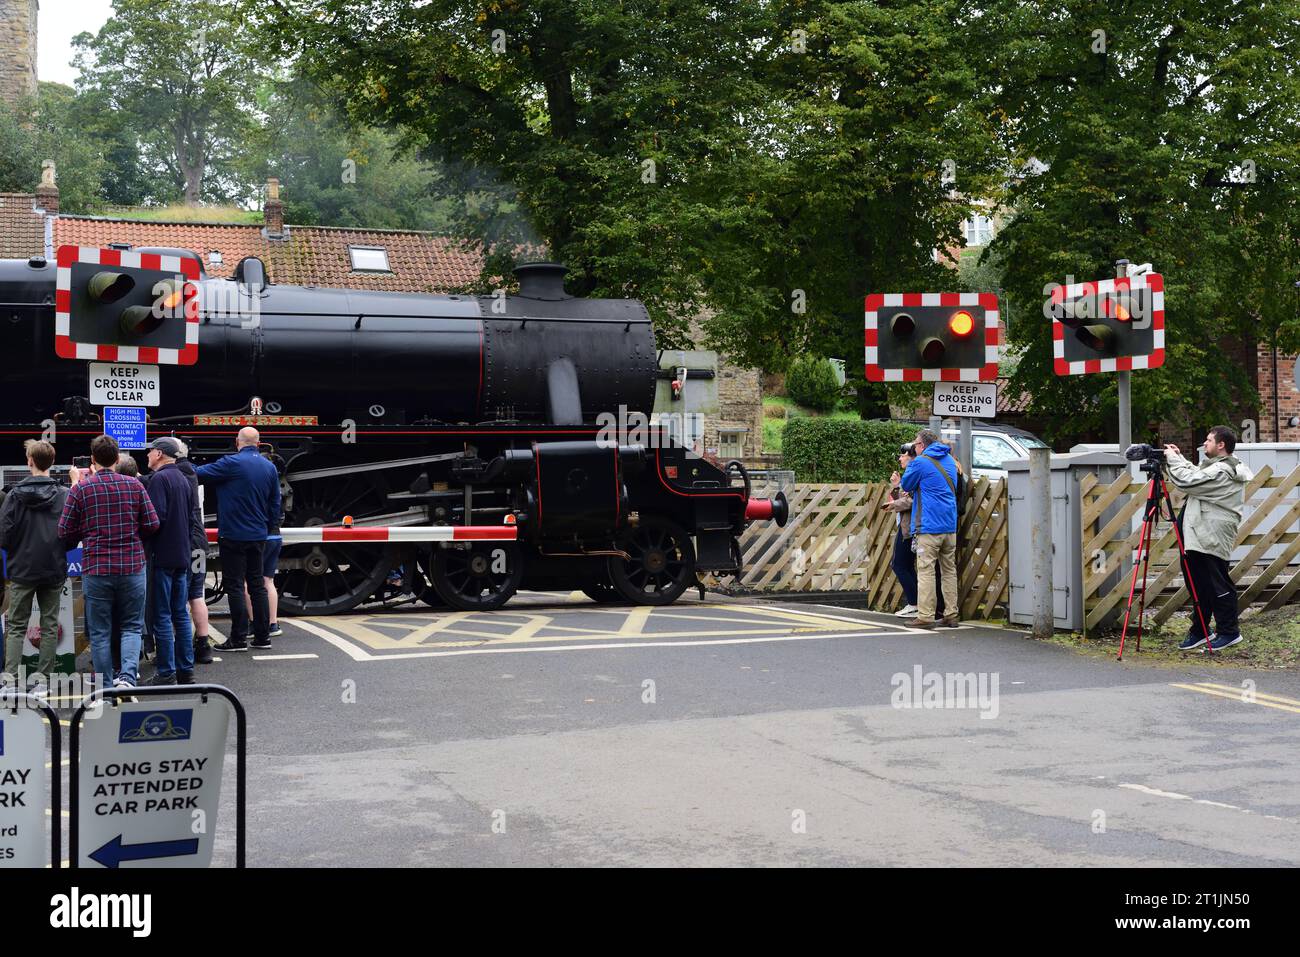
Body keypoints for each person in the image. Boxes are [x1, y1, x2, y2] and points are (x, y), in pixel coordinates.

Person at [58, 434, 159, 689]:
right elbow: (152, 523)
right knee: (132, 626)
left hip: (97, 567)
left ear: (93, 460)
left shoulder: (81, 488)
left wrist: (87, 531)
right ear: (117, 459)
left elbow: (64, 531)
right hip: (132, 566)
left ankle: (104, 684)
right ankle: (127, 677)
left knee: (100, 631)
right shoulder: (135, 486)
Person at [1164, 427, 1253, 651]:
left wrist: (1173, 460)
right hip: (1200, 532)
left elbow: (1189, 481)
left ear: (1221, 445)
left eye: (1209, 440)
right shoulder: (1217, 468)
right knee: (1199, 584)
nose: (1205, 443)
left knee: (1217, 583)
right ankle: (1200, 631)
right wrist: (1180, 459)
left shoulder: (1224, 471)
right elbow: (1196, 474)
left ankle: (1229, 632)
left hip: (1210, 534)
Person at [197, 428, 280, 652]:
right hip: (258, 534)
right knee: (257, 585)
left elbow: (198, 473)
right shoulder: (269, 467)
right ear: (259, 443)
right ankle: (263, 637)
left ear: (237, 442)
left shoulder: (230, 463)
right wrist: (268, 526)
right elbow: (275, 503)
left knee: (234, 586)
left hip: (232, 534)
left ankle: (238, 639)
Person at [0, 440, 68, 693]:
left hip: (22, 568)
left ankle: (9, 682)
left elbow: (4, 534)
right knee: (50, 625)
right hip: (53, 565)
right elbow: (70, 531)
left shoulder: (14, 495)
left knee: (17, 626)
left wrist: (16, 551)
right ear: (51, 462)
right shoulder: (63, 494)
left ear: (30, 462)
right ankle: (43, 681)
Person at [144, 437, 198, 684]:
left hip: (162, 555)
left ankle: (166, 673)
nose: (147, 456)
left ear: (159, 454)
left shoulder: (159, 479)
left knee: (162, 616)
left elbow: (156, 520)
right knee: (180, 614)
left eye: (150, 452)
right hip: (182, 555)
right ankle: (186, 669)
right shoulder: (184, 479)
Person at [899, 429, 960, 629]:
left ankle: (925, 616)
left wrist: (910, 463)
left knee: (926, 571)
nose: (914, 447)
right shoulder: (950, 460)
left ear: (922, 446)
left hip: (929, 527)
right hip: (950, 526)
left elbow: (906, 484)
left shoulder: (920, 462)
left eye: (916, 444)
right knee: (949, 571)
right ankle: (951, 614)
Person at [885, 444, 945, 619]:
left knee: (899, 564)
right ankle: (917, 603)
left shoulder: (916, 472)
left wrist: (894, 503)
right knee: (906, 565)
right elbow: (903, 498)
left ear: (911, 458)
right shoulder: (911, 475)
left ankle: (916, 603)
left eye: (903, 455)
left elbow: (911, 501)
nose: (900, 459)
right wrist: (896, 487)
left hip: (912, 526)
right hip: (907, 525)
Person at [174, 442, 214, 664]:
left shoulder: (171, 473)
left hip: (183, 543)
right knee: (197, 594)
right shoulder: (191, 471)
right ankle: (203, 644)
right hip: (199, 542)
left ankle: (181, 646)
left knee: (178, 595)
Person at [243, 448, 285, 640]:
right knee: (268, 581)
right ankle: (273, 623)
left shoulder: (256, 488)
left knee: (248, 582)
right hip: (275, 535)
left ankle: (254, 623)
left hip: (261, 536)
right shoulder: (274, 487)